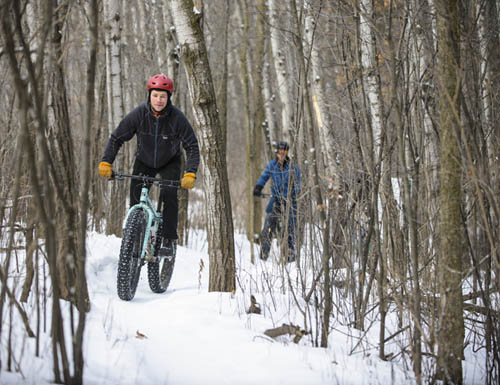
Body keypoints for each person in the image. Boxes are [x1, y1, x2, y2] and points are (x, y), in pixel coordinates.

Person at [98, 74, 200, 257]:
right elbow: (116, 138)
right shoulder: (139, 114)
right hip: (144, 161)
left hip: (170, 161)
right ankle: (135, 237)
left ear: (169, 97)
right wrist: (107, 161)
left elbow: (192, 146)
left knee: (169, 194)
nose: (158, 100)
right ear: (149, 95)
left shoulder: (177, 118)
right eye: (155, 95)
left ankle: (168, 240)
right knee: (135, 199)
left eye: (163, 96)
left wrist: (190, 173)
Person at [253, 141, 301, 262]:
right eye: (280, 152)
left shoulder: (292, 167)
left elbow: (298, 183)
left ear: (287, 153)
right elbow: (264, 177)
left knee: (290, 225)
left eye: (284, 152)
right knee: (269, 223)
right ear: (277, 152)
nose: (282, 154)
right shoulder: (272, 165)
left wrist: (295, 192)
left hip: (289, 200)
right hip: (276, 199)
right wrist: (258, 187)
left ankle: (290, 253)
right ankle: (264, 254)